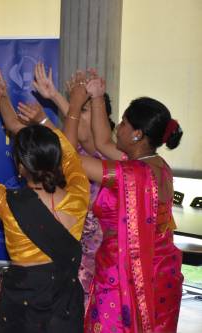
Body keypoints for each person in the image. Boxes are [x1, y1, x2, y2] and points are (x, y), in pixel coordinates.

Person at [0, 64, 119, 305]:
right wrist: (3, 95)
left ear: (104, 120)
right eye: (78, 110)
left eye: (85, 110)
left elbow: (84, 135)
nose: (77, 114)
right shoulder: (62, 146)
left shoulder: (108, 153)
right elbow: (17, 128)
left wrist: (58, 104)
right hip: (64, 249)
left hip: (100, 253)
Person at [0, 89, 90, 332]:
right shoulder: (80, 193)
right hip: (66, 307)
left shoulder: (8, 202)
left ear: (20, 167)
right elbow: (71, 157)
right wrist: (44, 121)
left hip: (22, 307)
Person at [69, 72, 184, 332]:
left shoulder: (131, 174)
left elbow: (69, 159)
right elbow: (103, 142)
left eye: (123, 123)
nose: (117, 127)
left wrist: (74, 107)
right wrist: (97, 96)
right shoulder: (156, 165)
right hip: (160, 274)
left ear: (137, 135)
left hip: (126, 279)